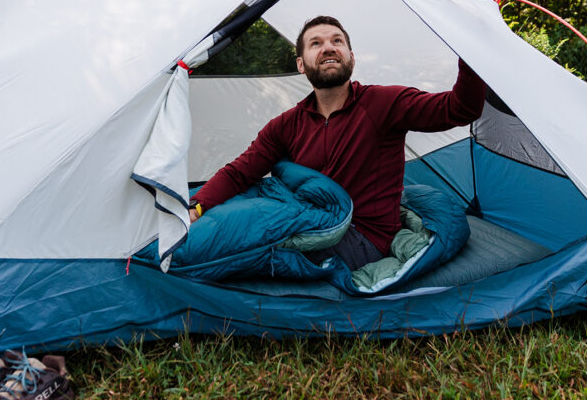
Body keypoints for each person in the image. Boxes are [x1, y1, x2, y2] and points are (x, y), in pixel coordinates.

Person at [187, 15, 487, 270]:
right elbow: (241, 172)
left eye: (337, 41)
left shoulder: (385, 103)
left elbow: (459, 109)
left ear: (351, 58)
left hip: (362, 236)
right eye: (316, 43)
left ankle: (179, 256)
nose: (328, 47)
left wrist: (471, 55)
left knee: (239, 242)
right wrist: (196, 208)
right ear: (301, 64)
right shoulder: (287, 124)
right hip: (308, 219)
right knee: (232, 210)